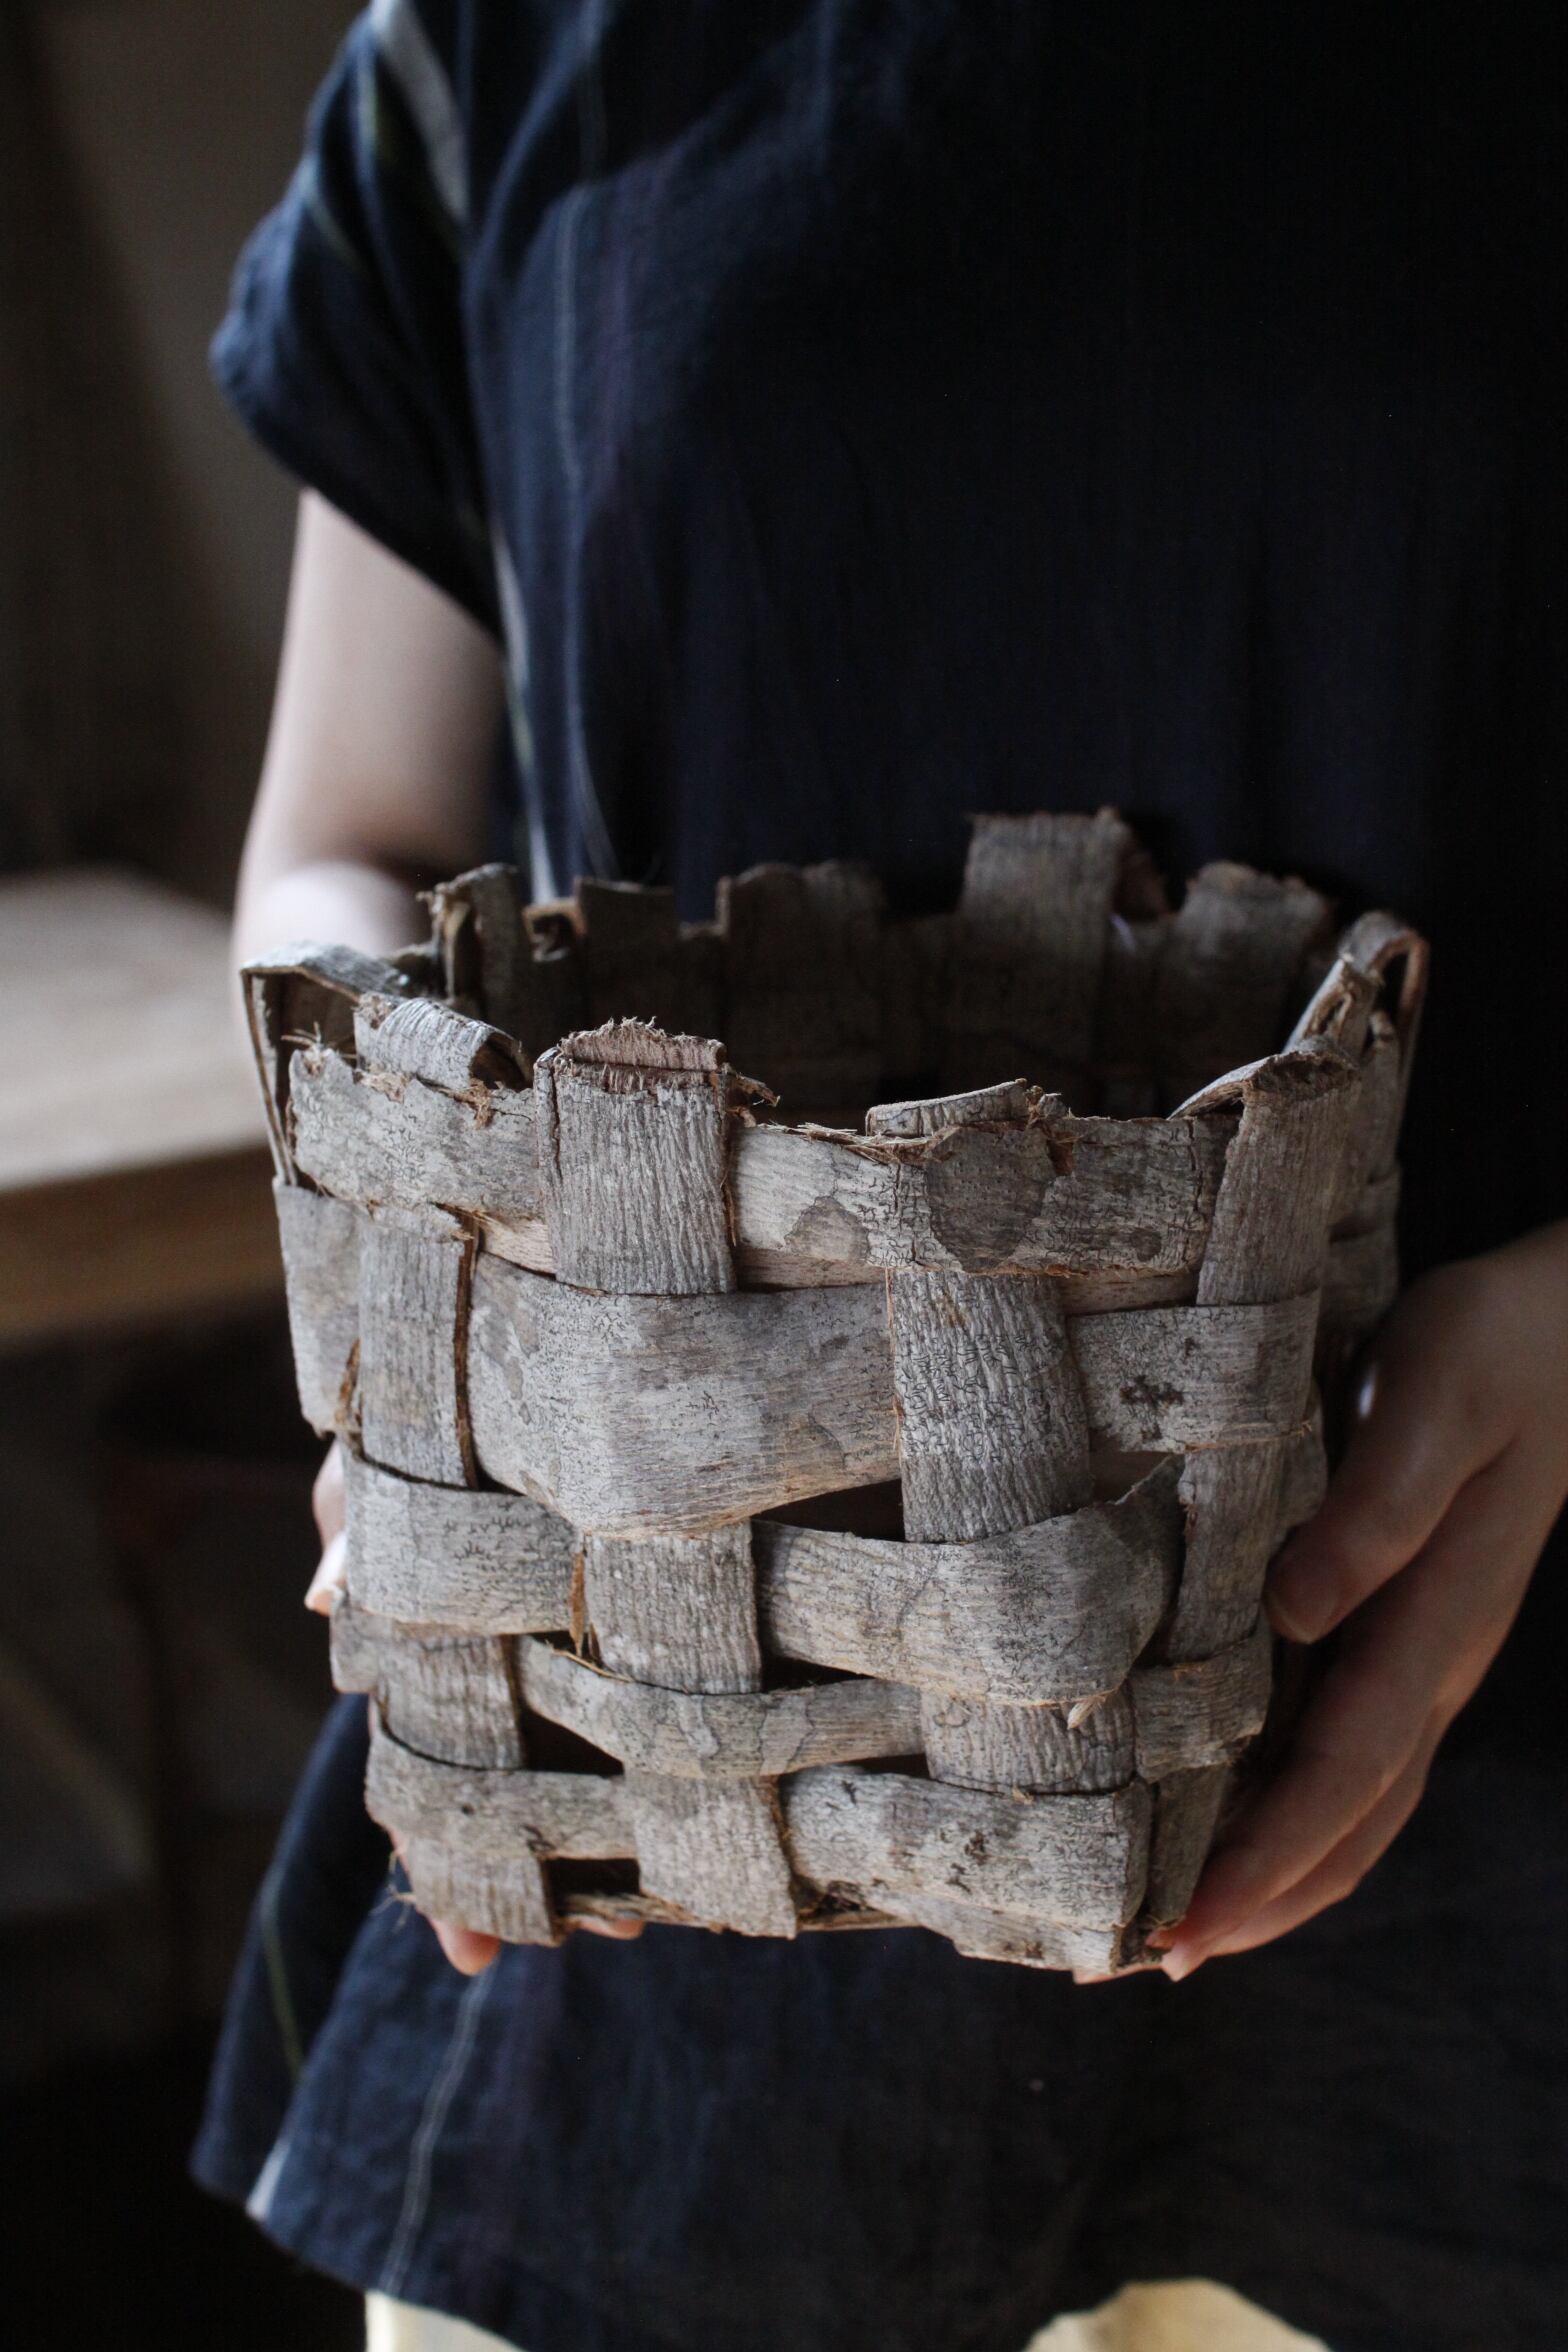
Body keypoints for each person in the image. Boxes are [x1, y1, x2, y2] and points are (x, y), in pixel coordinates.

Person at [195, 7, 1568, 2349]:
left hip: (1481, 1816)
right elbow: (356, 833)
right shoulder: (505, 52)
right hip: (657, 1828)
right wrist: (403, 1276)